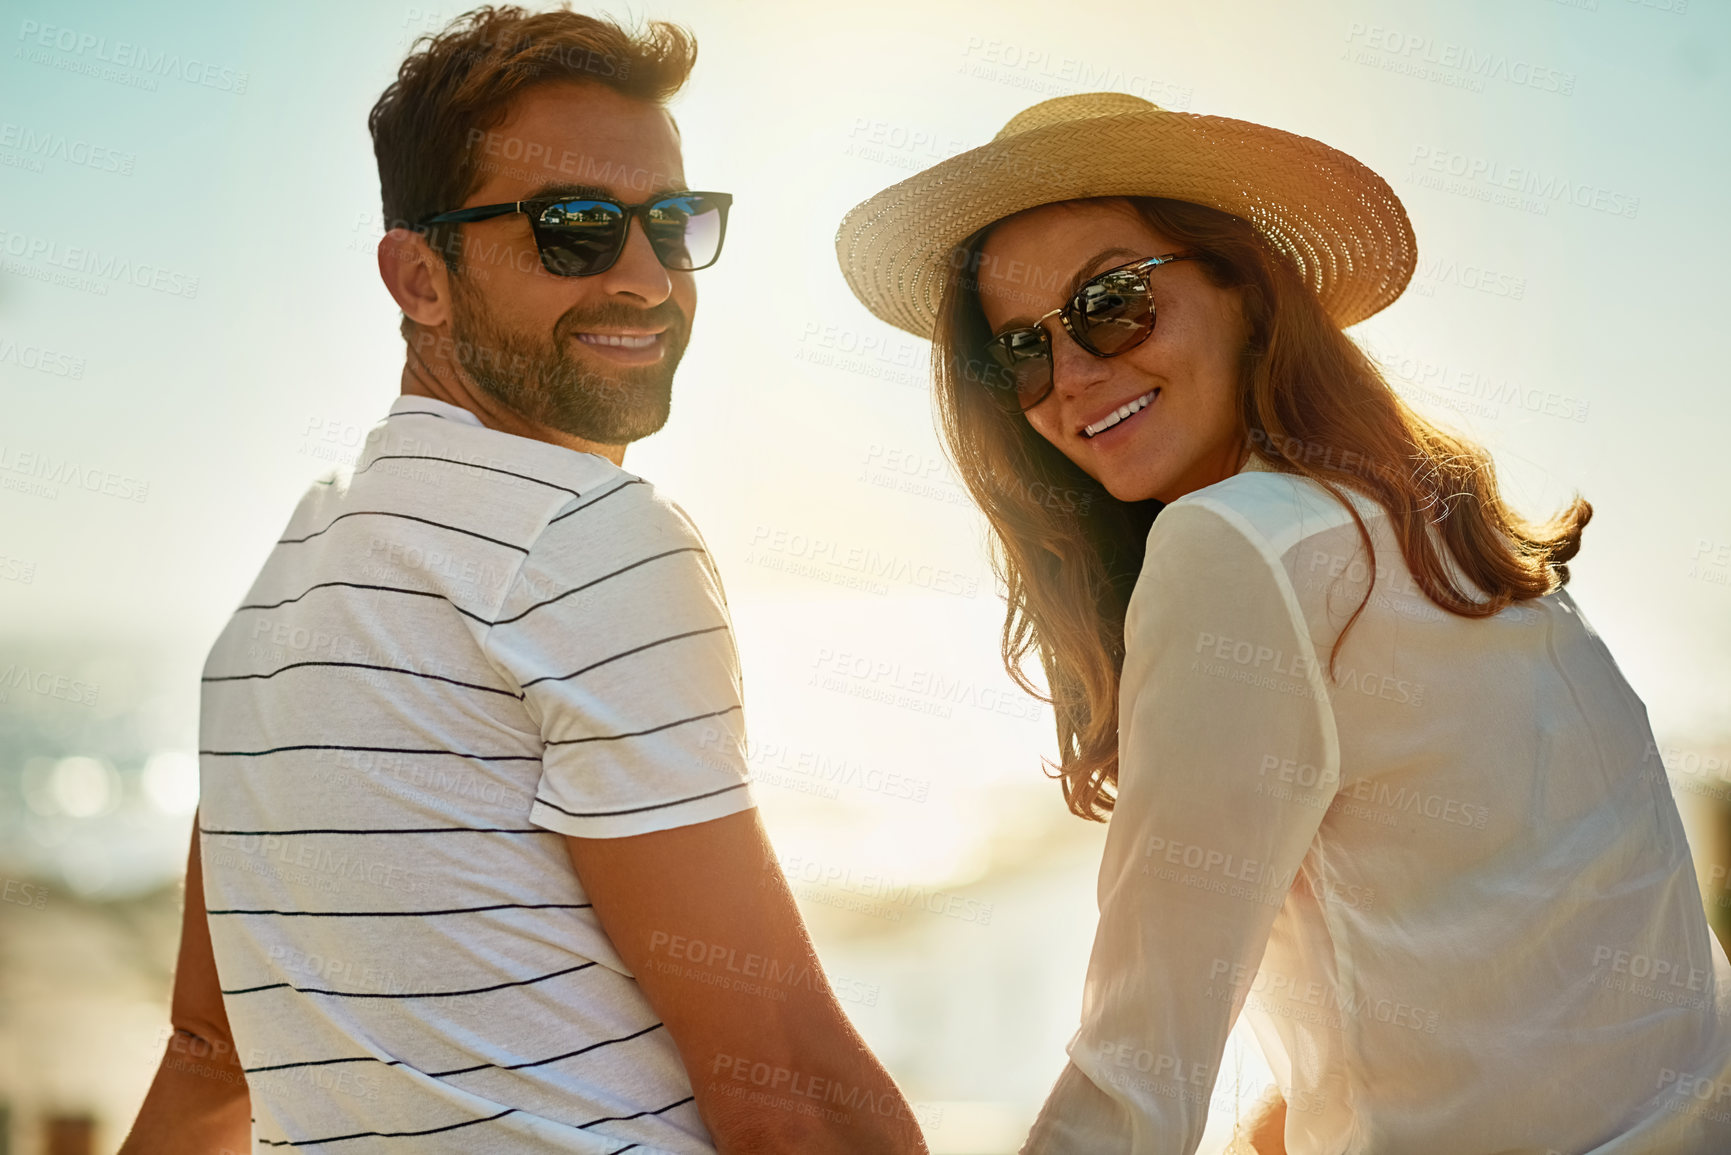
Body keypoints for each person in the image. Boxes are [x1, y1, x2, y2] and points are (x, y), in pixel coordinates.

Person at [835, 91, 1731, 1154]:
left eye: (1111, 302)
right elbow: (1496, 986)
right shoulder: (1448, 548)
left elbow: (1140, 1071)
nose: (1072, 377)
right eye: (1017, 352)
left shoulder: (1238, 542)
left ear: (1247, 290)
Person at [120, 8, 926, 1154]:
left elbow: (207, 1060)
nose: (648, 279)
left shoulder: (279, 597)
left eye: (674, 223)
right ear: (421, 278)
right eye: (578, 231)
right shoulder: (587, 539)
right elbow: (785, 1082)